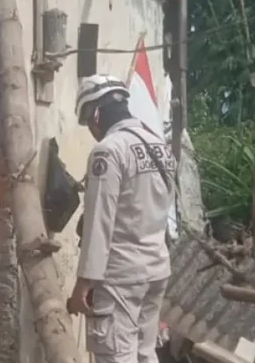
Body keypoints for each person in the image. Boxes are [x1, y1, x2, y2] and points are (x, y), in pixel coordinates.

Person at [67, 75, 175, 363]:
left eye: (89, 122)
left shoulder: (109, 150)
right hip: (156, 271)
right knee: (145, 353)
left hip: (121, 278)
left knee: (116, 356)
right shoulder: (160, 146)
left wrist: (84, 284)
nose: (92, 130)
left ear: (97, 115)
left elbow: (99, 222)